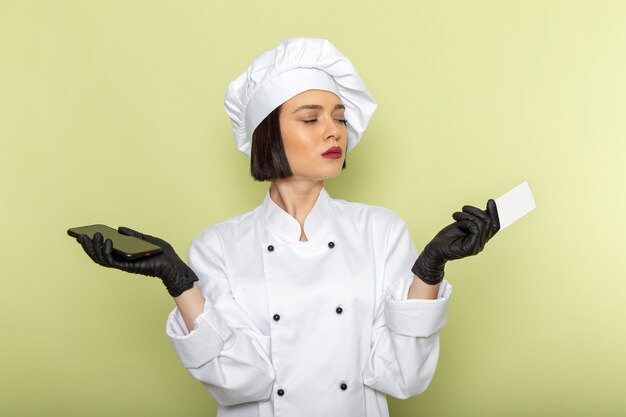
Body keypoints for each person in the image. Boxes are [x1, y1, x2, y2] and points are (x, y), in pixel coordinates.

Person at [76, 38, 499, 417]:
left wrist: (429, 268)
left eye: (339, 117)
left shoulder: (380, 230)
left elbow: (404, 377)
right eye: (311, 119)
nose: (334, 130)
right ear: (268, 136)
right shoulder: (219, 245)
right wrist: (180, 281)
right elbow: (239, 382)